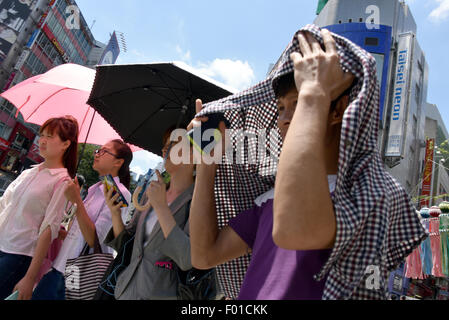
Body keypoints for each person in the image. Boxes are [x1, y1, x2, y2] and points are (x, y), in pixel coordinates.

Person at [190, 25, 428, 300]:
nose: (284, 118)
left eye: (298, 102)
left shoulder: (371, 194)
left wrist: (314, 93)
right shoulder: (269, 199)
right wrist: (207, 164)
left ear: (338, 109)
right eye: (280, 107)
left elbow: (292, 231)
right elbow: (204, 255)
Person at [31, 139, 132, 300]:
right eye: (97, 150)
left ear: (118, 162)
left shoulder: (119, 193)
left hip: (77, 274)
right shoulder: (95, 189)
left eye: (103, 151)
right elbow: (80, 233)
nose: (96, 154)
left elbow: (95, 240)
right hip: (59, 266)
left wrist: (77, 200)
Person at [102, 128, 195, 300]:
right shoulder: (150, 192)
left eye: (172, 145)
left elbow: (186, 258)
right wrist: (115, 213)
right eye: (164, 146)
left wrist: (161, 207)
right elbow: (126, 244)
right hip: (126, 290)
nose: (164, 150)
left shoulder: (196, 202)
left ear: (192, 153)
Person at [0, 116, 79, 300]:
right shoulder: (29, 172)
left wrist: (30, 277)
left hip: (19, 254)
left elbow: (49, 229)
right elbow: (4, 204)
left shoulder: (62, 181)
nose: (42, 140)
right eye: (42, 134)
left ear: (66, 144)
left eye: (50, 136)